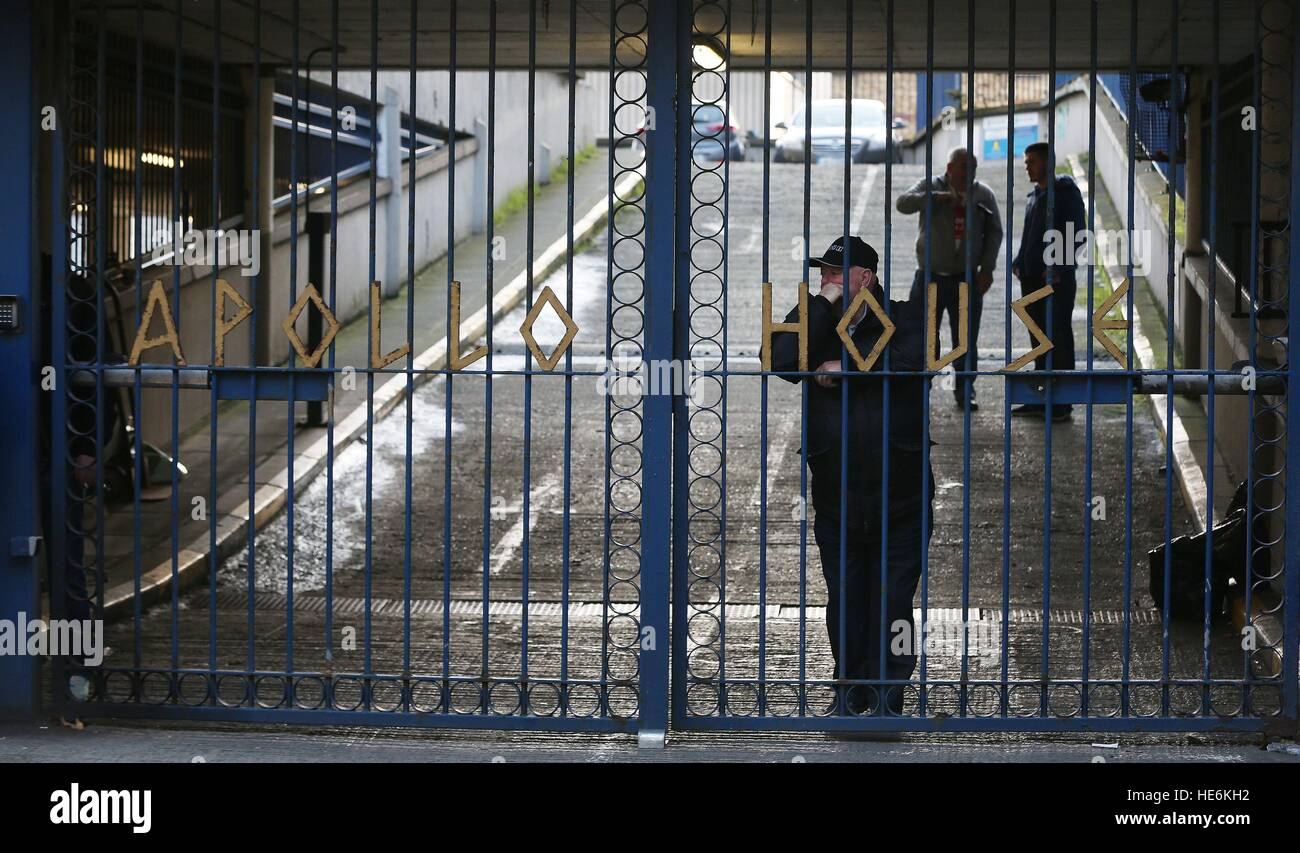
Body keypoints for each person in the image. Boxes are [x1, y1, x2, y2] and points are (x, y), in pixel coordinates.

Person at [767, 236, 935, 717]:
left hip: (900, 498)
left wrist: (848, 368)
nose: (826, 280)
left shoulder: (906, 316)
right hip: (838, 499)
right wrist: (823, 303)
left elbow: (917, 358)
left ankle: (888, 694)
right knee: (844, 598)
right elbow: (779, 360)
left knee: (893, 601)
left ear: (867, 277)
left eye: (837, 274)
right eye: (823, 273)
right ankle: (849, 688)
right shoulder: (819, 321)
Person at [896, 147, 1003, 411]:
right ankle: (920, 388)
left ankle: (965, 389)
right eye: (965, 166)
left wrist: (987, 268)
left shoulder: (982, 194)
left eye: (974, 167)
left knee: (965, 339)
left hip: (965, 279)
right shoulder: (931, 186)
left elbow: (995, 233)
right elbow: (903, 203)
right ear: (950, 167)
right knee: (923, 336)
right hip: (929, 277)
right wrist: (935, 198)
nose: (970, 172)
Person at [1010, 140, 1087, 422]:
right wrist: (1018, 261)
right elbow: (1029, 234)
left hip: (1055, 281)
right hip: (1030, 279)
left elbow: (1078, 232)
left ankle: (1061, 404)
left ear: (1047, 163)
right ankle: (1040, 398)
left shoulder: (1064, 194)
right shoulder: (1035, 196)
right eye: (1026, 161)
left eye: (1031, 161)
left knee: (1058, 339)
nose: (1027, 166)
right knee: (1039, 340)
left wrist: (1058, 267)